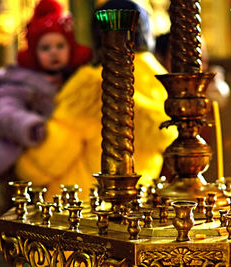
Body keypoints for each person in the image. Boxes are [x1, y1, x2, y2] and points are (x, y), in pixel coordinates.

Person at [14, 0, 177, 199]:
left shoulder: (93, 84)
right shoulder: (161, 82)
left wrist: (24, 165)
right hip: (133, 206)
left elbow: (50, 156)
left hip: (78, 206)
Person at [0, 0, 92, 195]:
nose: (54, 52)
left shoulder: (76, 79)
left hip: (62, 156)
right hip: (25, 152)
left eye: (60, 46)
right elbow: (6, 109)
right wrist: (29, 125)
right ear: (34, 53)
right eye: (45, 48)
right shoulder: (22, 80)